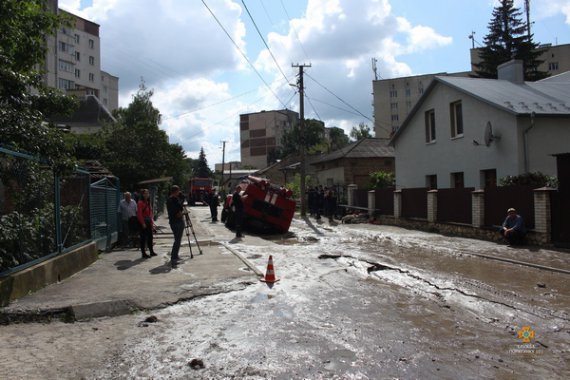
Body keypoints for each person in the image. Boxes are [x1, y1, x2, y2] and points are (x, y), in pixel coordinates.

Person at [166, 185, 185, 267]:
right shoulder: (170, 200)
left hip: (179, 220)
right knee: (177, 240)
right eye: (178, 191)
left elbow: (180, 207)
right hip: (175, 221)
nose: (179, 192)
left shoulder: (176, 199)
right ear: (175, 191)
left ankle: (176, 255)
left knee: (178, 240)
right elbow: (175, 210)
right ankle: (173, 258)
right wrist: (179, 213)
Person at [137, 188, 157, 258]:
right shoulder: (140, 203)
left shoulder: (148, 202)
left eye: (147, 193)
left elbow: (150, 214)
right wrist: (143, 223)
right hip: (143, 222)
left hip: (148, 222)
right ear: (142, 194)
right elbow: (139, 214)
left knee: (150, 237)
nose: (147, 195)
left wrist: (152, 223)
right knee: (143, 238)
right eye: (145, 193)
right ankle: (143, 253)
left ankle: (151, 251)